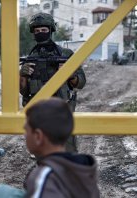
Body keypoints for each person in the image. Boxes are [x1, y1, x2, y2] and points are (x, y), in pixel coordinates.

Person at [0, 98, 99, 198]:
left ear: (38, 136)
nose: (25, 135)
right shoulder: (82, 169)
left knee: (1, 193)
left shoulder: (43, 177)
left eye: (26, 130)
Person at [19, 12, 86, 152]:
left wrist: (69, 74)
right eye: (37, 31)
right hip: (39, 112)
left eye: (44, 30)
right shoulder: (30, 58)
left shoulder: (65, 54)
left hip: (62, 111)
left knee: (67, 150)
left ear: (50, 31)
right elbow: (24, 91)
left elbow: (80, 83)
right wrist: (23, 75)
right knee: (42, 152)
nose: (40, 33)